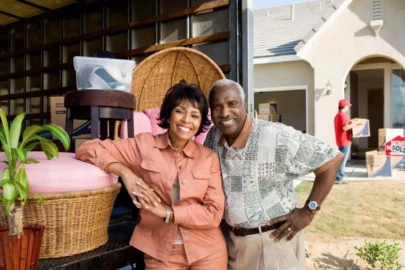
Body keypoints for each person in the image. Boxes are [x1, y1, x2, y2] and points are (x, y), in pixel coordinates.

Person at [76, 81, 227, 270]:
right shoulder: (144, 145)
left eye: (195, 115)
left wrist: (169, 213)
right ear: (169, 113)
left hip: (207, 251)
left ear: (200, 123)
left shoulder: (208, 158)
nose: (186, 120)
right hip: (160, 251)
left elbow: (214, 213)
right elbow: (87, 148)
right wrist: (126, 173)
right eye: (180, 111)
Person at [204, 79, 343, 270]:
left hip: (272, 243)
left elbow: (330, 158)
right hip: (234, 246)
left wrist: (309, 211)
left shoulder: (275, 136)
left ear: (244, 104)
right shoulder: (213, 137)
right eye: (217, 106)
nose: (225, 112)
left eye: (232, 104)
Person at [334, 99, 361, 184]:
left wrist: (353, 121)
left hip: (340, 141)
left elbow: (345, 124)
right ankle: (339, 178)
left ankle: (338, 176)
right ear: (345, 106)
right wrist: (356, 124)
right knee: (343, 161)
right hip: (345, 141)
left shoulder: (337, 116)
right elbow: (345, 127)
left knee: (340, 160)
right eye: (348, 106)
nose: (348, 107)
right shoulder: (343, 115)